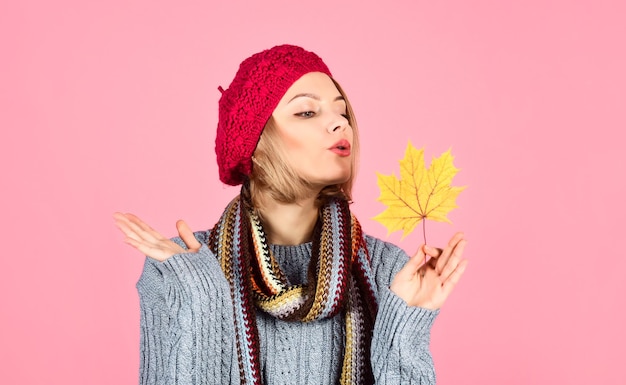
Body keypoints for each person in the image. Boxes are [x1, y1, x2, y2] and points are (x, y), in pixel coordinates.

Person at [114, 44, 468, 385]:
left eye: (341, 111)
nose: (340, 124)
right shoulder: (181, 267)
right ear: (255, 143)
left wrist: (406, 326)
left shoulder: (388, 270)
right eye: (307, 112)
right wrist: (202, 294)